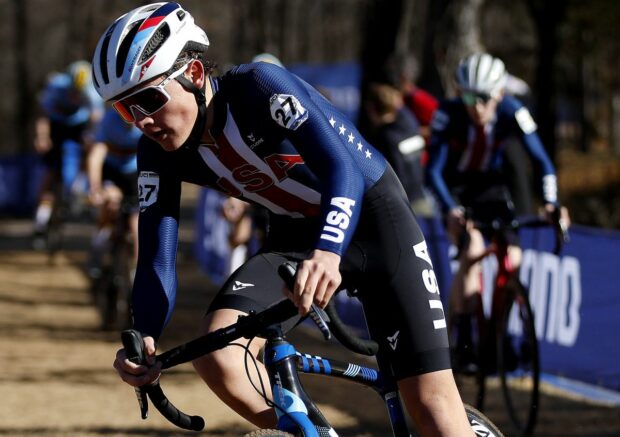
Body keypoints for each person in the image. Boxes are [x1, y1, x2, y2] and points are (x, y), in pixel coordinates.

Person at [94, 3, 474, 435]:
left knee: (433, 410)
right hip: (295, 234)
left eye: (148, 98)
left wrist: (328, 250)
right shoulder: (157, 153)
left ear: (195, 75)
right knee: (218, 355)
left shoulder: (260, 87)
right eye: (125, 110)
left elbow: (342, 168)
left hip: (374, 219)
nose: (141, 120)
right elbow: (156, 258)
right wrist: (144, 333)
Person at [426, 53, 571, 369]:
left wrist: (550, 203)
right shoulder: (448, 113)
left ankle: (499, 335)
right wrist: (451, 210)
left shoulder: (513, 112)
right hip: (455, 188)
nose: (475, 106)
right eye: (467, 96)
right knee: (473, 250)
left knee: (514, 259)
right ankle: (462, 339)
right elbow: (432, 172)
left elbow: (543, 162)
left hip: (492, 187)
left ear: (500, 95)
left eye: (483, 99)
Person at [32, 60, 104, 249]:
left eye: (78, 94)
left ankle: (78, 187)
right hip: (57, 126)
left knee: (89, 152)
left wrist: (91, 137)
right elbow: (43, 115)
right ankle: (40, 222)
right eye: (73, 91)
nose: (74, 96)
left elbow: (97, 118)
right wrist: (42, 137)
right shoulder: (56, 85)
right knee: (49, 171)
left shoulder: (91, 91)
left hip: (77, 127)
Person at [364, 81, 436, 217]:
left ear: (371, 109)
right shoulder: (409, 121)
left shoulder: (383, 139)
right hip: (423, 197)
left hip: (402, 207)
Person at [86, 106, 142, 280]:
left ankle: (139, 273)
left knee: (136, 224)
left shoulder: (146, 120)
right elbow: (96, 156)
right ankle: (97, 251)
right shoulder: (109, 120)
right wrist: (95, 188)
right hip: (111, 170)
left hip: (134, 172)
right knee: (110, 203)